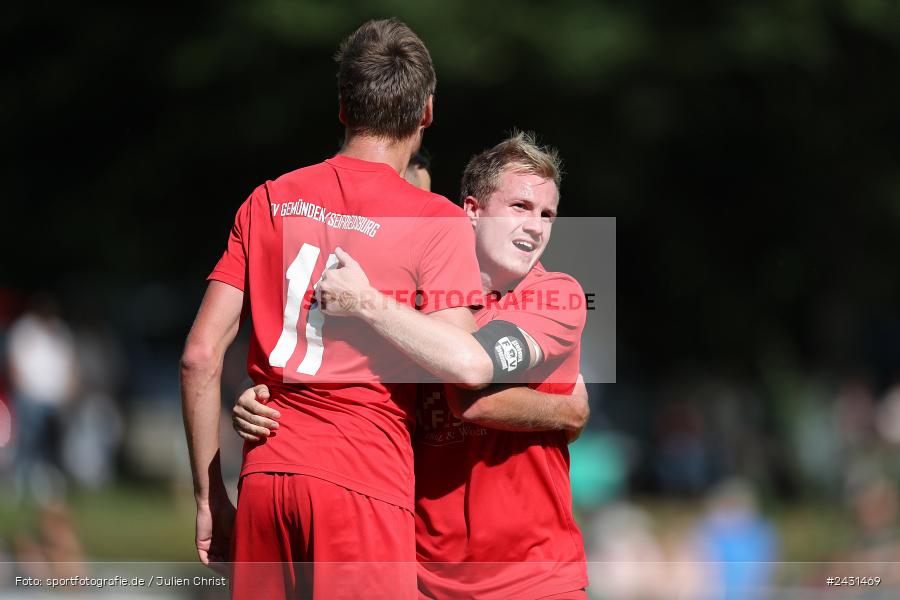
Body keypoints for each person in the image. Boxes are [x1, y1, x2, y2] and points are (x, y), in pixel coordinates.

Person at [180, 18, 484, 600]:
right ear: (425, 112)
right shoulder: (435, 219)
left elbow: (199, 355)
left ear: (343, 107)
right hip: (364, 477)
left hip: (268, 471)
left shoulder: (268, 198)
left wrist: (209, 497)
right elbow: (465, 363)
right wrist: (372, 304)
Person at [235, 133, 591, 598]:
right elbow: (322, 366)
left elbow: (471, 391)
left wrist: (370, 304)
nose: (536, 227)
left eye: (548, 215)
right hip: (421, 578)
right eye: (520, 207)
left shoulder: (557, 294)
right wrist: (264, 395)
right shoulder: (410, 299)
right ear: (472, 211)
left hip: (535, 580)